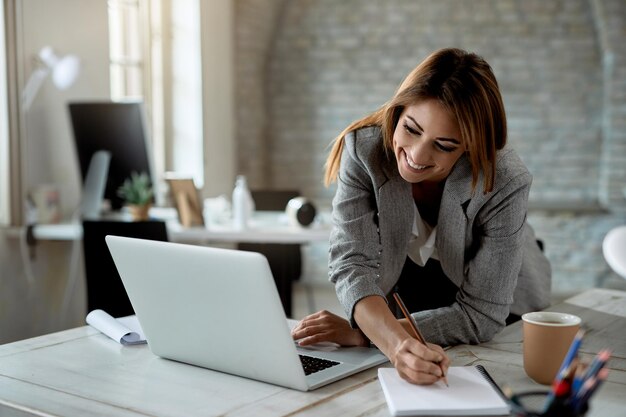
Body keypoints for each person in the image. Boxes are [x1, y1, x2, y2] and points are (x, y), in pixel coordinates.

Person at [291, 47, 551, 386]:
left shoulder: (504, 178)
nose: (416, 156)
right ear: (398, 111)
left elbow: (482, 316)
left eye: (444, 145)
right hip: (405, 285)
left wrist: (368, 335)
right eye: (411, 129)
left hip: (502, 302)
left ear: (469, 149)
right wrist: (394, 341)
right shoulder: (364, 150)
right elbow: (353, 265)